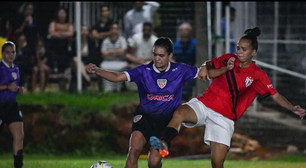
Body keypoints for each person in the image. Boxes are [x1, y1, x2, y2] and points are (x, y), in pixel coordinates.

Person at [149, 27, 306, 168]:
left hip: (224, 117)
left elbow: (275, 95)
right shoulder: (228, 59)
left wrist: (292, 107)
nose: (239, 52)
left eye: (244, 49)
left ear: (253, 52)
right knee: (180, 112)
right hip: (205, 104)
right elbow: (209, 64)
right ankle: (165, 142)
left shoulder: (258, 75)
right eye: (238, 48)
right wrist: (204, 67)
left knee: (217, 163)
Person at [86, 37, 216, 168]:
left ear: (170, 55)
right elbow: (117, 77)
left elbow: (207, 71)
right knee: (134, 150)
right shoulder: (143, 71)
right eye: (155, 55)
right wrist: (97, 70)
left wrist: (205, 65)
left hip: (166, 122)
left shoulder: (180, 70)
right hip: (144, 118)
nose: (157, 58)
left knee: (153, 163)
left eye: (161, 55)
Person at [0, 41, 25, 168]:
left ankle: (18, 165)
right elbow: (7, 86)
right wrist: (6, 87)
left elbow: (14, 87)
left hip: (11, 106)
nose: (10, 55)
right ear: (3, 54)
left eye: (13, 52)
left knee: (19, 136)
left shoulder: (16, 68)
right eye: (7, 52)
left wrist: (19, 89)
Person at [99, 22, 128, 93]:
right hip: (107, 61)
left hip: (120, 61)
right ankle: (107, 89)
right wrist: (116, 52)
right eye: (113, 29)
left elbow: (123, 51)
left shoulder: (122, 40)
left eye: (116, 29)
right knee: (104, 68)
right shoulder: (106, 41)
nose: (114, 31)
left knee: (119, 68)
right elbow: (103, 53)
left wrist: (110, 52)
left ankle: (118, 89)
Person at [171, 22, 196, 102]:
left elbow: (198, 59)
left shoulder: (195, 44)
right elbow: (171, 59)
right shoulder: (176, 45)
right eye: (182, 30)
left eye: (186, 30)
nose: (184, 32)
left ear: (190, 32)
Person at [69, 25, 98, 92]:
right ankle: (86, 78)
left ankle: (83, 80)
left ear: (88, 32)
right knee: (76, 60)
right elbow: (72, 55)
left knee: (78, 66)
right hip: (76, 62)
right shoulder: (75, 42)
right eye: (82, 30)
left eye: (86, 30)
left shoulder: (91, 42)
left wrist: (85, 65)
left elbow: (93, 56)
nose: (84, 32)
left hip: (88, 62)